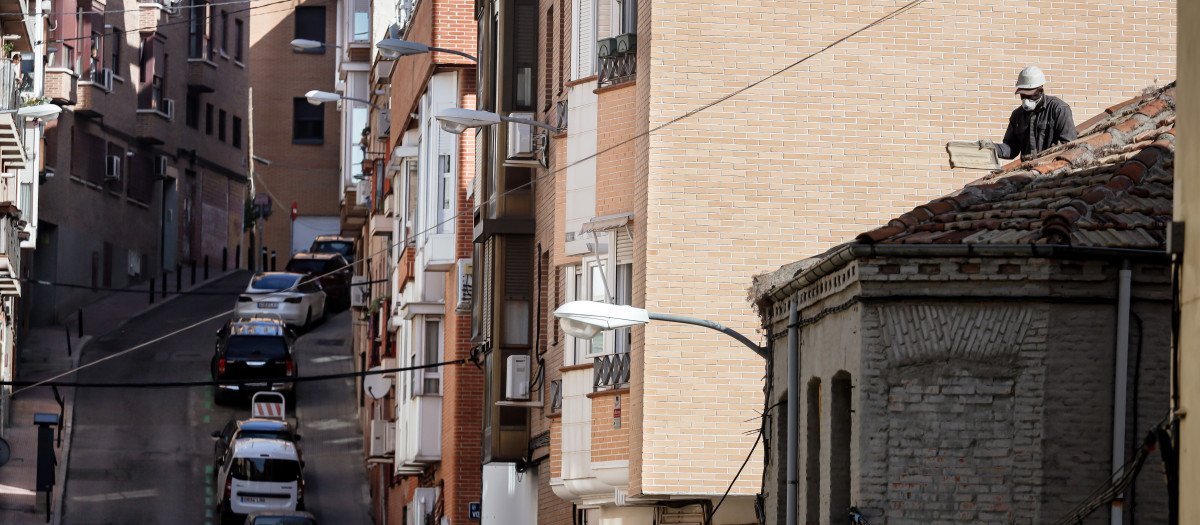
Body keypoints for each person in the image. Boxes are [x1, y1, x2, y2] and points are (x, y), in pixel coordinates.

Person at [979, 66, 1077, 160]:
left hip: (1052, 170)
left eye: (1030, 95)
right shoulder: (1017, 116)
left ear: (1040, 90)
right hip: (1028, 171)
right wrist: (992, 148)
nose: (1026, 99)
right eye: (1023, 95)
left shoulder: (1058, 109)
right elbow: (1011, 149)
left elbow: (1068, 146)